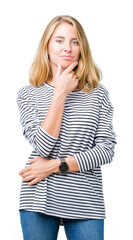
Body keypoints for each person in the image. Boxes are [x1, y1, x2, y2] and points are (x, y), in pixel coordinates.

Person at [17, 15, 116, 240]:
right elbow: (43, 146)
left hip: (86, 199)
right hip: (39, 196)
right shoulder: (28, 94)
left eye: (75, 41)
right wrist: (60, 93)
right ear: (47, 47)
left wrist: (54, 166)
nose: (67, 48)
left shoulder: (97, 94)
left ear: (82, 48)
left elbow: (106, 150)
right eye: (59, 41)